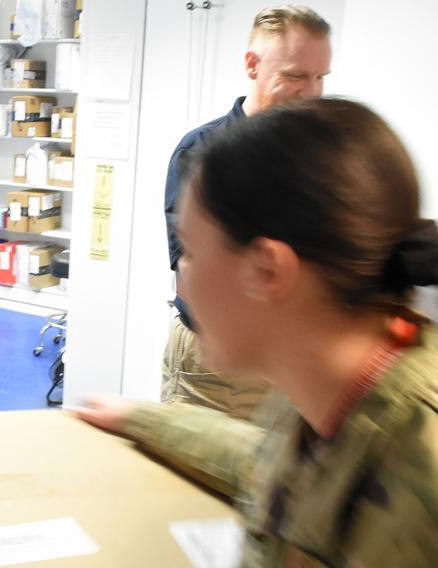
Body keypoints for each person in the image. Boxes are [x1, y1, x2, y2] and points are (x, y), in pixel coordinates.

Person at [76, 98, 438, 565]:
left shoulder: (424, 464)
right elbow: (261, 461)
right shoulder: (330, 391)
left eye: (191, 249)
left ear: (267, 271)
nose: (181, 277)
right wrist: (137, 418)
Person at [163, 5, 332, 419]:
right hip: (218, 366)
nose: (310, 92)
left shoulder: (322, 155)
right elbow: (190, 275)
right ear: (252, 65)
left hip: (298, 364)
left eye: (320, 77)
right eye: (295, 76)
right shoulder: (204, 154)